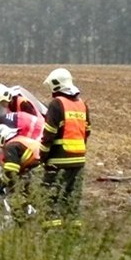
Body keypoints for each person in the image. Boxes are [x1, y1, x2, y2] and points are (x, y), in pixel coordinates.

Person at [39, 68, 91, 228]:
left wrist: (43, 157)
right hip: (78, 160)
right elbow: (87, 132)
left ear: (56, 86)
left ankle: (52, 231)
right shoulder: (82, 105)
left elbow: (49, 134)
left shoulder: (57, 104)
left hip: (59, 160)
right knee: (72, 198)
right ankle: (73, 231)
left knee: (51, 196)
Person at [0, 124, 41, 193]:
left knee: (21, 190)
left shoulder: (11, 146)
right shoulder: (18, 139)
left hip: (37, 169)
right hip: (40, 165)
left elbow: (11, 171)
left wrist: (1, 185)